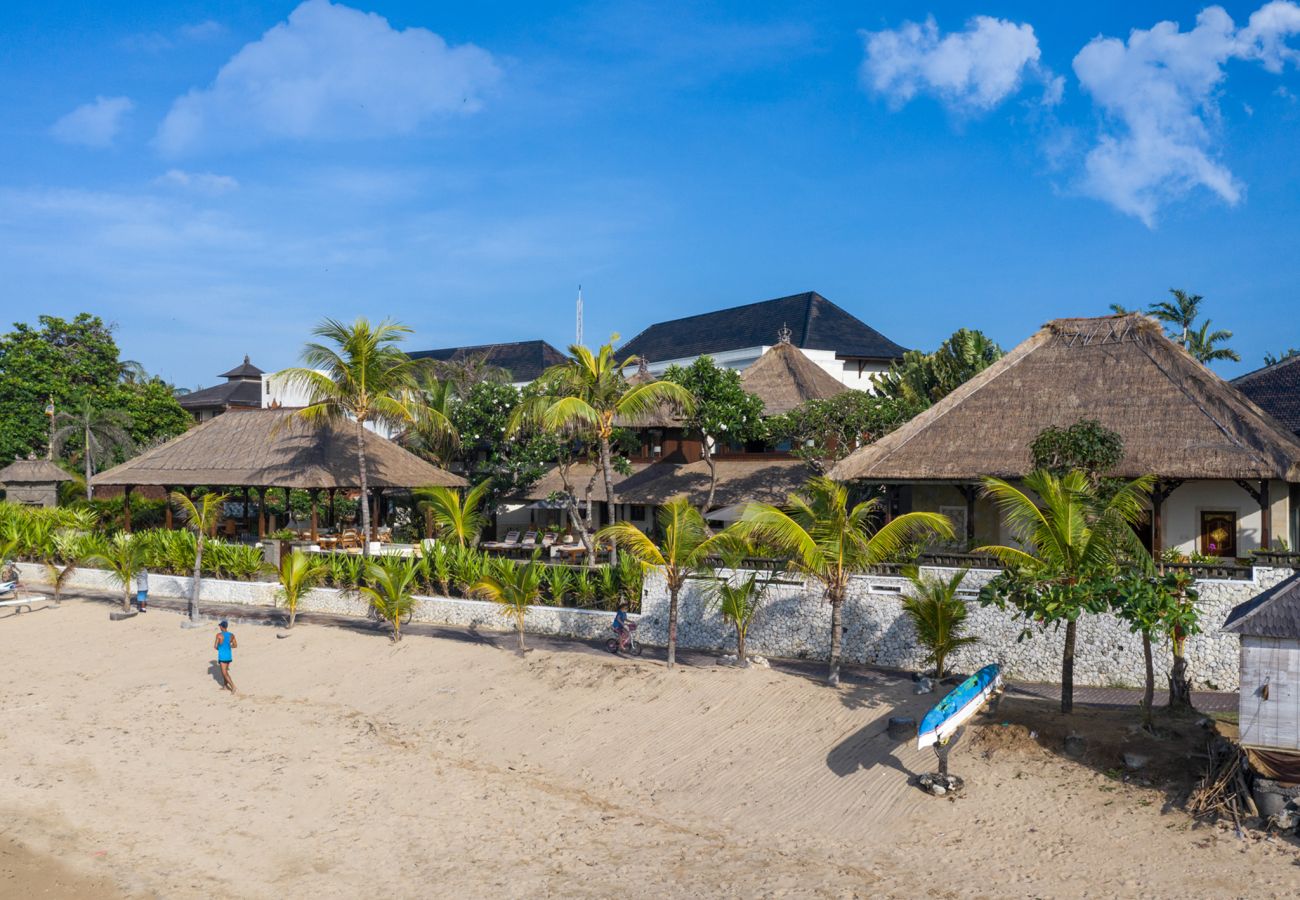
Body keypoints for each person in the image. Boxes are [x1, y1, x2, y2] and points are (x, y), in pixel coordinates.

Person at [214, 620, 237, 693]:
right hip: (229, 656)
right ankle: (225, 686)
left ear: (221, 627)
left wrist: (220, 648)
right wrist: (228, 646)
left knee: (224, 673)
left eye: (220, 626)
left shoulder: (218, 635)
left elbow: (215, 646)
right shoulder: (231, 635)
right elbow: (235, 645)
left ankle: (233, 686)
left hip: (222, 656)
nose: (219, 627)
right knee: (225, 672)